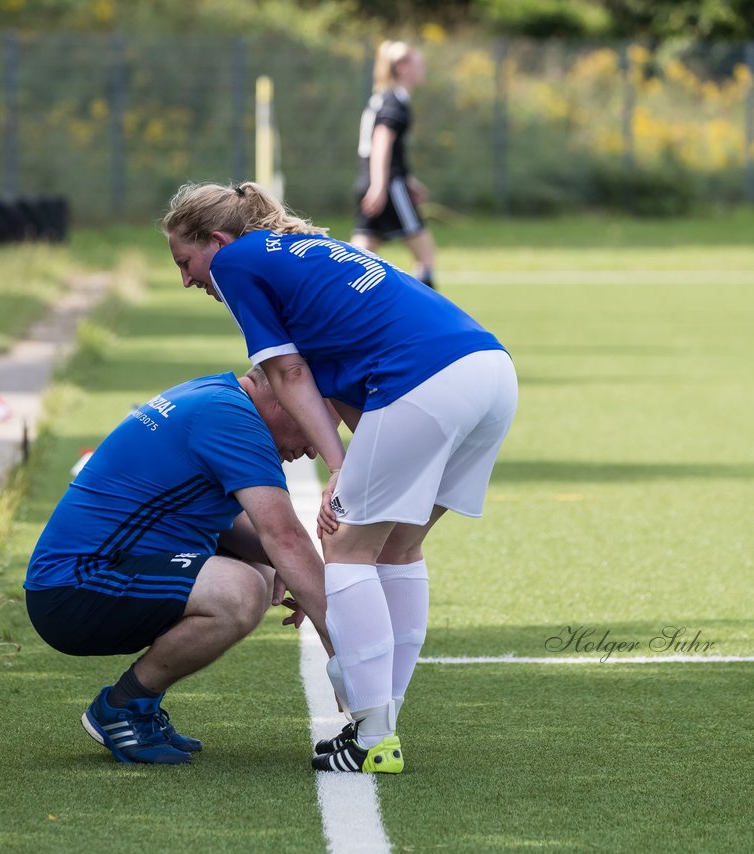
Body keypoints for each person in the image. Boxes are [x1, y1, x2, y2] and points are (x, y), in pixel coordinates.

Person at [163, 182, 517, 774]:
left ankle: (372, 731)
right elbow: (348, 381)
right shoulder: (303, 249)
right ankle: (379, 723)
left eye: (186, 262)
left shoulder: (238, 263)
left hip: (426, 381)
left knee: (347, 547)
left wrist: (340, 467)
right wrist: (348, 467)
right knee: (397, 546)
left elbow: (288, 372)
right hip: (489, 372)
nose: (188, 279)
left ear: (217, 242)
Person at [24, 366, 333, 765]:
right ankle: (123, 707)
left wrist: (286, 567)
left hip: (83, 574)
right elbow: (285, 535)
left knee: (261, 569)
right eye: (316, 424)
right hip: (72, 589)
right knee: (241, 590)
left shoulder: (215, 395)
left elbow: (234, 527)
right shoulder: (231, 418)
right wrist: (343, 658)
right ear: (283, 398)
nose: (313, 449)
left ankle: (142, 711)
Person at [352, 40, 437, 290]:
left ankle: (330, 296)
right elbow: (380, 142)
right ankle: (425, 316)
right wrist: (381, 186)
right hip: (387, 185)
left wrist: (409, 181)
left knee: (358, 252)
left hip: (373, 181)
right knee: (425, 254)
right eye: (418, 62)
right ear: (402, 67)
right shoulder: (393, 102)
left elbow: (386, 149)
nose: (423, 67)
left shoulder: (384, 98)